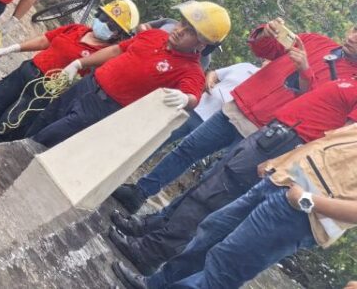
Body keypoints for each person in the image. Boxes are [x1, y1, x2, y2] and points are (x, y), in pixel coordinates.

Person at [108, 74, 357, 274]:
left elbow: (335, 147)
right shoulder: (347, 77)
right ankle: (152, 231)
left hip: (291, 145)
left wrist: (286, 161)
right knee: (210, 184)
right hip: (279, 137)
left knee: (214, 196)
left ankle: (150, 252)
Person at [111, 23, 357, 213]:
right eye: (355, 30)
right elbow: (263, 50)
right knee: (187, 149)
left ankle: (159, 224)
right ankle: (140, 192)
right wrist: (265, 33)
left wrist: (305, 70)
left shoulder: (352, 83)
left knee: (212, 180)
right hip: (241, 104)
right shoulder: (316, 41)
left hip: (267, 132)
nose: (353, 38)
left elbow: (314, 109)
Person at [112, 123, 357, 289]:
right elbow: (320, 147)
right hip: (281, 182)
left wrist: (305, 200)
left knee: (226, 266)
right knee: (209, 235)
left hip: (303, 212)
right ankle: (155, 283)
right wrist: (279, 164)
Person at [0, 0, 139, 155]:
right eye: (104, 18)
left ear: (119, 35)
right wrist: (13, 48)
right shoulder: (76, 29)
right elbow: (45, 40)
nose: (104, 25)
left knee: (7, 128)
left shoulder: (104, 56)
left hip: (43, 93)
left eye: (112, 26)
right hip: (27, 71)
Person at [23, 1, 231, 148]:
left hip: (105, 109)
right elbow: (116, 50)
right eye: (182, 23)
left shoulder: (191, 70)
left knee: (49, 139)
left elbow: (193, 97)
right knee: (41, 121)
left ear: (202, 44)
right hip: (86, 85)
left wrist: (186, 98)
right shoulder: (154, 35)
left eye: (191, 31)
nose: (180, 30)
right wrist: (79, 63)